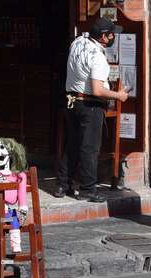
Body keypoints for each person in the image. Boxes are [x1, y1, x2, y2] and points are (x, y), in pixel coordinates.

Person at [54, 17, 129, 202]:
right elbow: (97, 90)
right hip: (90, 104)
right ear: (103, 37)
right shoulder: (97, 57)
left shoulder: (78, 42)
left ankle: (63, 184)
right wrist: (118, 95)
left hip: (72, 101)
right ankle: (88, 189)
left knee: (71, 145)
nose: (113, 37)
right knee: (89, 148)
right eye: (111, 34)